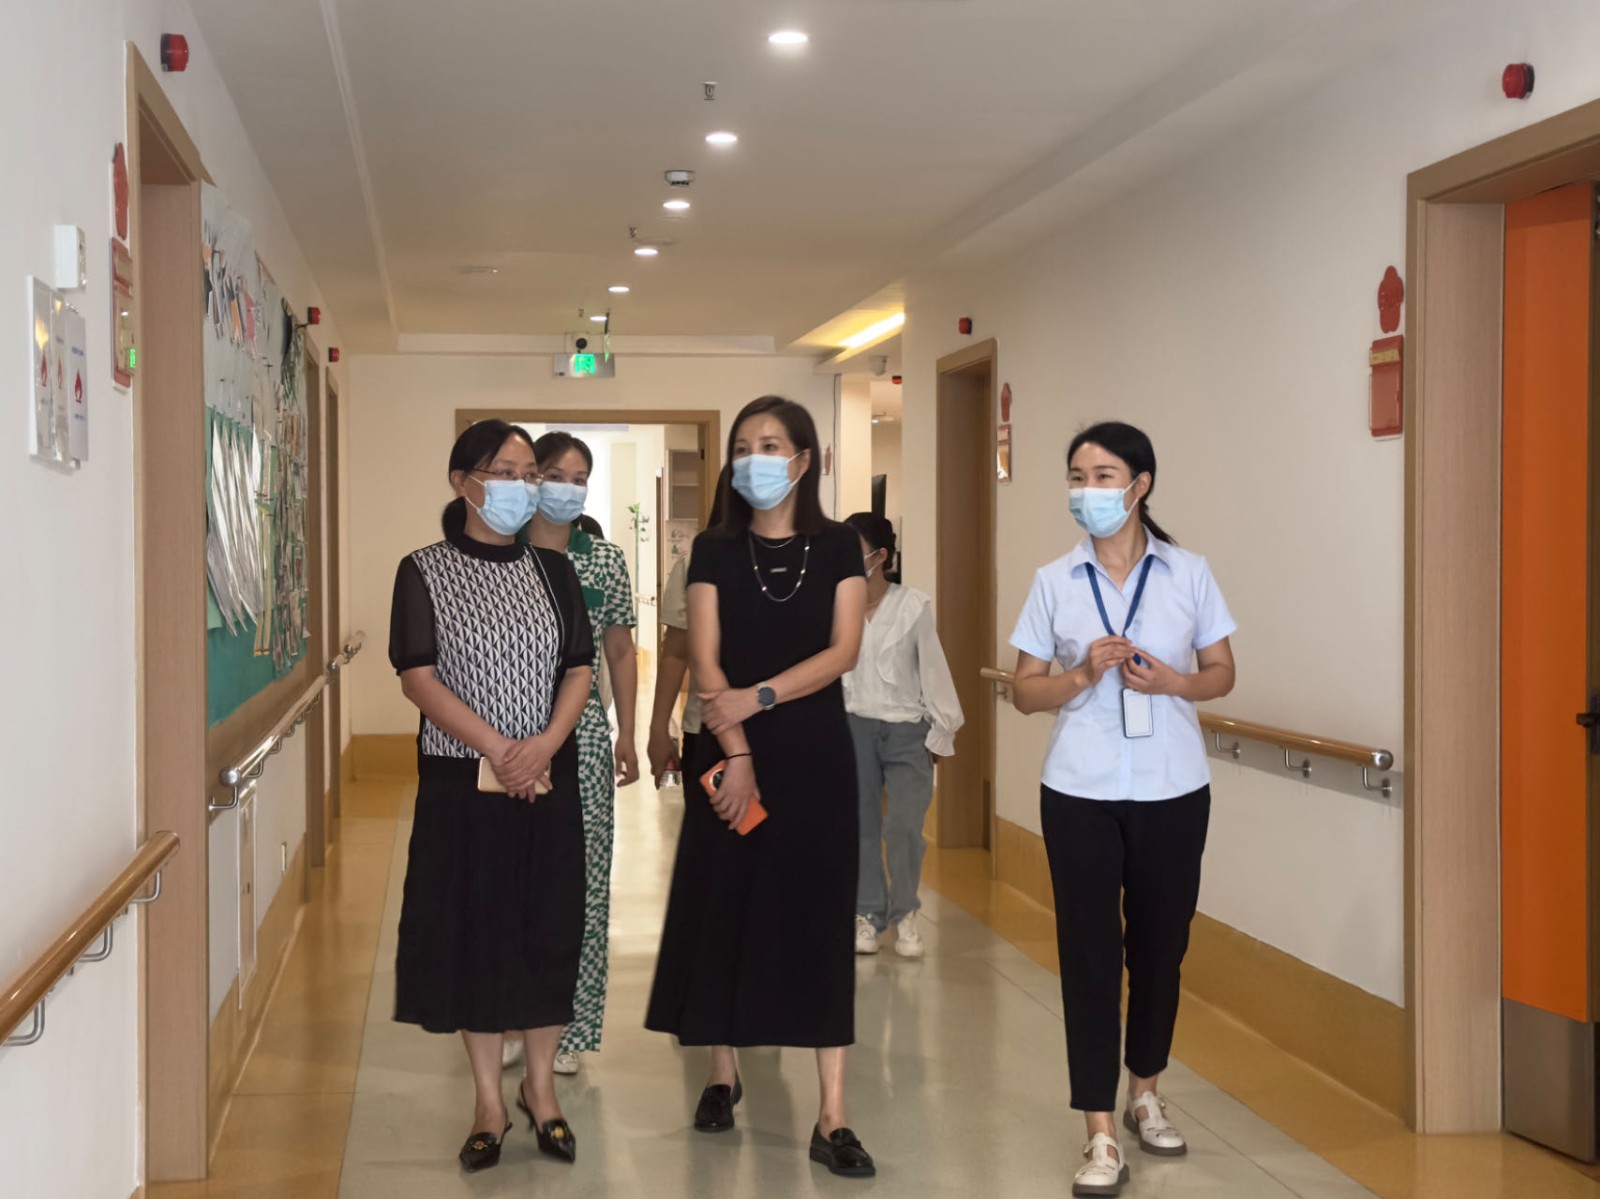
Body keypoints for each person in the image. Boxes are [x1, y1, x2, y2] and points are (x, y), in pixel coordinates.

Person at [645, 396, 876, 1178]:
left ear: (805, 460)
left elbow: (844, 650)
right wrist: (738, 748)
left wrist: (762, 696)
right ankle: (722, 1071)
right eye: (743, 446)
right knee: (725, 906)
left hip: (814, 755)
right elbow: (705, 659)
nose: (753, 459)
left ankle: (833, 1113)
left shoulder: (838, 545)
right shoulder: (714, 548)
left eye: (771, 445)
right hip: (728, 747)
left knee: (817, 917)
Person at [1008, 421, 1237, 1198]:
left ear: (1140, 485)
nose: (1086, 490)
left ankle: (1145, 1091)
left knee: (1160, 949)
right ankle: (1099, 1130)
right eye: (1077, 476)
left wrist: (1174, 682)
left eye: (1102, 476)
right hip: (1079, 788)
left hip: (1173, 786)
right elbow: (1023, 690)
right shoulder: (1055, 579)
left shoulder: (1188, 572)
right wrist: (1079, 675)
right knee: (1089, 955)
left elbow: (1222, 670)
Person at [388, 419, 594, 1172]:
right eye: (504, 470)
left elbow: (579, 668)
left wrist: (541, 744)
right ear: (463, 482)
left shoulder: (553, 571)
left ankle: (542, 1090)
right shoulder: (424, 570)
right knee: (474, 934)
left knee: (547, 928)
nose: (521, 484)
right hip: (462, 787)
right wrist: (498, 747)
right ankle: (487, 1102)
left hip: (546, 780)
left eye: (528, 471)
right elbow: (418, 676)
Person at [507, 431, 638, 1078]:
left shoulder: (604, 561)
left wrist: (627, 733)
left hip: (581, 740)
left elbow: (621, 652)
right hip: (505, 736)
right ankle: (509, 1017)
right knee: (512, 879)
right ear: (532, 479)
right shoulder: (501, 553)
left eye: (579, 478)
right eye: (554, 474)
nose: (567, 487)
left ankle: (567, 1026)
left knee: (582, 886)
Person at [840, 512, 963, 959]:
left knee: (905, 826)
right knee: (862, 826)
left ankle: (905, 912)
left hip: (908, 730)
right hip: (853, 726)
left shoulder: (913, 606)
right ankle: (867, 914)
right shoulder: (836, 606)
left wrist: (942, 730)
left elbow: (933, 668)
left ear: (880, 556)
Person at [647, 465, 730, 786]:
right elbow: (676, 653)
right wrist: (658, 729)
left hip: (781, 728)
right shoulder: (698, 561)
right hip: (707, 726)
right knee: (712, 817)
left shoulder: (800, 565)